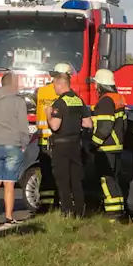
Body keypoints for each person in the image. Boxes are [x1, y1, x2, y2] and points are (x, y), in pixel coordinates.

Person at [0, 69, 31, 225]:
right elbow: (23, 126)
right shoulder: (18, 101)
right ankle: (9, 217)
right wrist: (25, 144)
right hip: (13, 144)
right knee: (9, 183)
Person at [46, 69, 91, 217]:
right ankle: (80, 211)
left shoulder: (59, 103)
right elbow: (87, 123)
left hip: (61, 146)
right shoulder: (78, 100)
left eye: (55, 86)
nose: (54, 88)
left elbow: (55, 126)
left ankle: (67, 211)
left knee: (63, 179)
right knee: (76, 179)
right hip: (76, 145)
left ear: (60, 84)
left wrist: (48, 114)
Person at [33, 62, 73, 212]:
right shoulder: (64, 93)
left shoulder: (41, 91)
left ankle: (44, 207)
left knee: (46, 174)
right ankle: (59, 204)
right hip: (58, 140)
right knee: (61, 174)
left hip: (43, 139)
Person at [89, 68, 127, 220]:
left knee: (107, 181)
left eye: (96, 83)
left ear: (100, 85)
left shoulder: (105, 101)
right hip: (117, 147)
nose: (94, 86)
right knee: (114, 181)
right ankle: (119, 213)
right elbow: (124, 125)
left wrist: (93, 144)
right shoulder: (117, 98)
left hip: (106, 148)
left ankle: (113, 216)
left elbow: (104, 128)